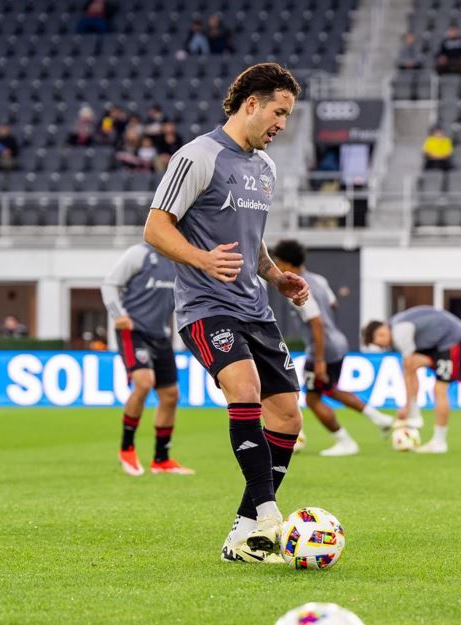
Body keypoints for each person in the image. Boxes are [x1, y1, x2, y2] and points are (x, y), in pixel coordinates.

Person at [142, 63, 307, 564]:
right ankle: (269, 514)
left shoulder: (266, 169)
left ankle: (243, 533)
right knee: (245, 389)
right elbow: (155, 228)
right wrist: (201, 259)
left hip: (254, 307)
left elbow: (250, 245)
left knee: (288, 418)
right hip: (204, 306)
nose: (282, 124)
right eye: (279, 112)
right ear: (251, 104)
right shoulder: (198, 156)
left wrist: (276, 276)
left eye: (288, 116)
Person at [271, 239, 394, 457]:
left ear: (288, 264)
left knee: (313, 398)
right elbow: (333, 304)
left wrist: (319, 360)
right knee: (330, 389)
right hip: (338, 342)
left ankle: (345, 442)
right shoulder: (318, 280)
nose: (277, 266)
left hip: (323, 348)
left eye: (278, 262)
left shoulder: (296, 288)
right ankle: (379, 418)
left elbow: (316, 322)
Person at [102, 243, 193, 476]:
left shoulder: (181, 258)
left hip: (160, 334)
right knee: (143, 382)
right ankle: (127, 449)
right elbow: (110, 284)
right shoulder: (139, 254)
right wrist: (118, 314)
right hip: (133, 331)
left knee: (171, 396)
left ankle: (161, 460)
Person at [361, 306, 461, 454]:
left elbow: (408, 368)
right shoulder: (395, 326)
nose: (381, 347)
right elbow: (410, 371)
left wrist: (407, 407)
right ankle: (414, 414)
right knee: (412, 366)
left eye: (378, 343)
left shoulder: (400, 332)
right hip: (438, 342)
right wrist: (408, 406)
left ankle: (439, 442)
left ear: (381, 333)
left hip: (453, 339)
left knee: (439, 390)